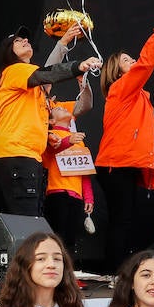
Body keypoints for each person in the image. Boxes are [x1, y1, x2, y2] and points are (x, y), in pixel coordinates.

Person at [95, 1, 154, 266]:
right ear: (116, 69)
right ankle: (114, 271)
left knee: (127, 219)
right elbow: (146, 63)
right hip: (116, 164)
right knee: (122, 219)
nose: (132, 62)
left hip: (127, 163)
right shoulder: (121, 88)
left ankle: (121, 268)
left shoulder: (137, 97)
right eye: (126, 61)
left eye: (131, 59)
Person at [0, 27, 101, 217]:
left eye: (25, 38)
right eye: (18, 41)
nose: (25, 40)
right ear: (8, 52)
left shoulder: (32, 84)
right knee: (26, 220)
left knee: (29, 219)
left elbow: (46, 75)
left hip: (27, 156)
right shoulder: (14, 70)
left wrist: (64, 43)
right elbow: (47, 74)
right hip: (17, 154)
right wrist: (78, 66)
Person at [42, 101, 93, 253]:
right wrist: (68, 141)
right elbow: (52, 149)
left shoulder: (79, 140)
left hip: (76, 195)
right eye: (58, 108)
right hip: (56, 191)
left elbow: (84, 170)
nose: (63, 108)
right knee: (57, 235)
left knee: (71, 238)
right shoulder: (49, 135)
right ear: (52, 121)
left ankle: (68, 270)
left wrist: (88, 197)